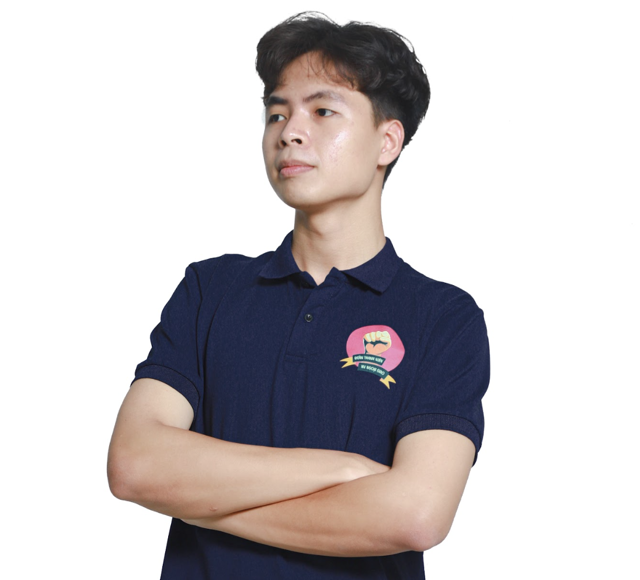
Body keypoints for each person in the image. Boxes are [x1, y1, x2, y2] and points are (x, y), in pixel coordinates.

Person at [108, 11, 490, 580]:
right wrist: (341, 470)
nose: (289, 131)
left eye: (323, 111)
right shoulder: (210, 289)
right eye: (277, 113)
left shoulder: (444, 317)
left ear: (388, 141)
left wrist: (201, 504)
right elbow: (134, 465)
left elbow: (415, 514)